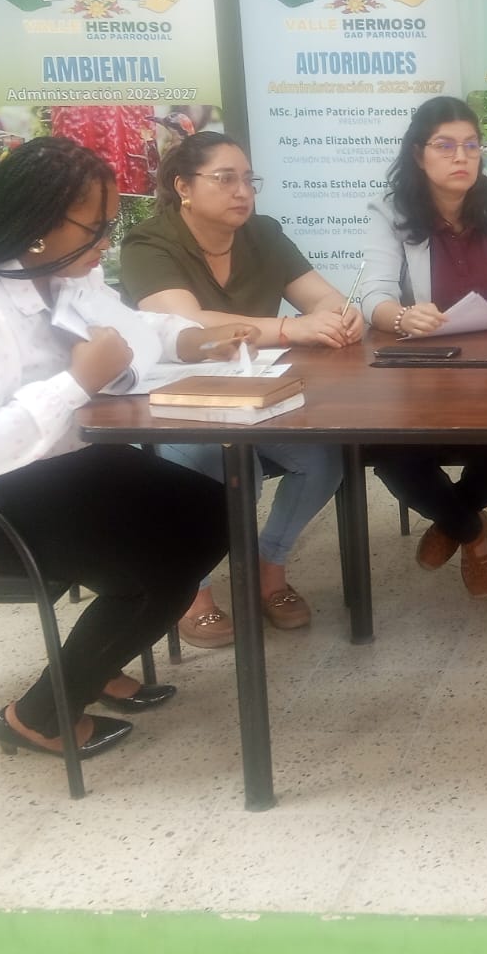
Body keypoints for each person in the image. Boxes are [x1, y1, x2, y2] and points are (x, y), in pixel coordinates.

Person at [0, 137, 243, 760]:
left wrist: (192, 340)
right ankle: (37, 715)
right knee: (152, 570)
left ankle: (94, 666)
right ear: (39, 224)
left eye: (110, 225)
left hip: (51, 470)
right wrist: (76, 382)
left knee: (212, 510)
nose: (105, 242)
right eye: (95, 228)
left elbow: (133, 328)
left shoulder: (67, 277)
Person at [119, 131, 354, 647]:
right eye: (226, 179)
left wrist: (341, 314)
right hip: (179, 402)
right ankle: (191, 590)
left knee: (324, 457)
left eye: (249, 179)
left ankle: (269, 567)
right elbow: (187, 325)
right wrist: (291, 328)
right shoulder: (148, 242)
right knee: (218, 466)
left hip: (256, 395)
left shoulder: (262, 233)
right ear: (183, 186)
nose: (242, 191)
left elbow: (323, 297)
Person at [361, 96, 487, 599]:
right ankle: (472, 532)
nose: (462, 157)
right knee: (390, 457)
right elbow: (374, 297)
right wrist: (402, 316)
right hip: (423, 376)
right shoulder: (390, 210)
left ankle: (452, 521)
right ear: (418, 153)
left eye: (471, 145)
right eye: (445, 146)